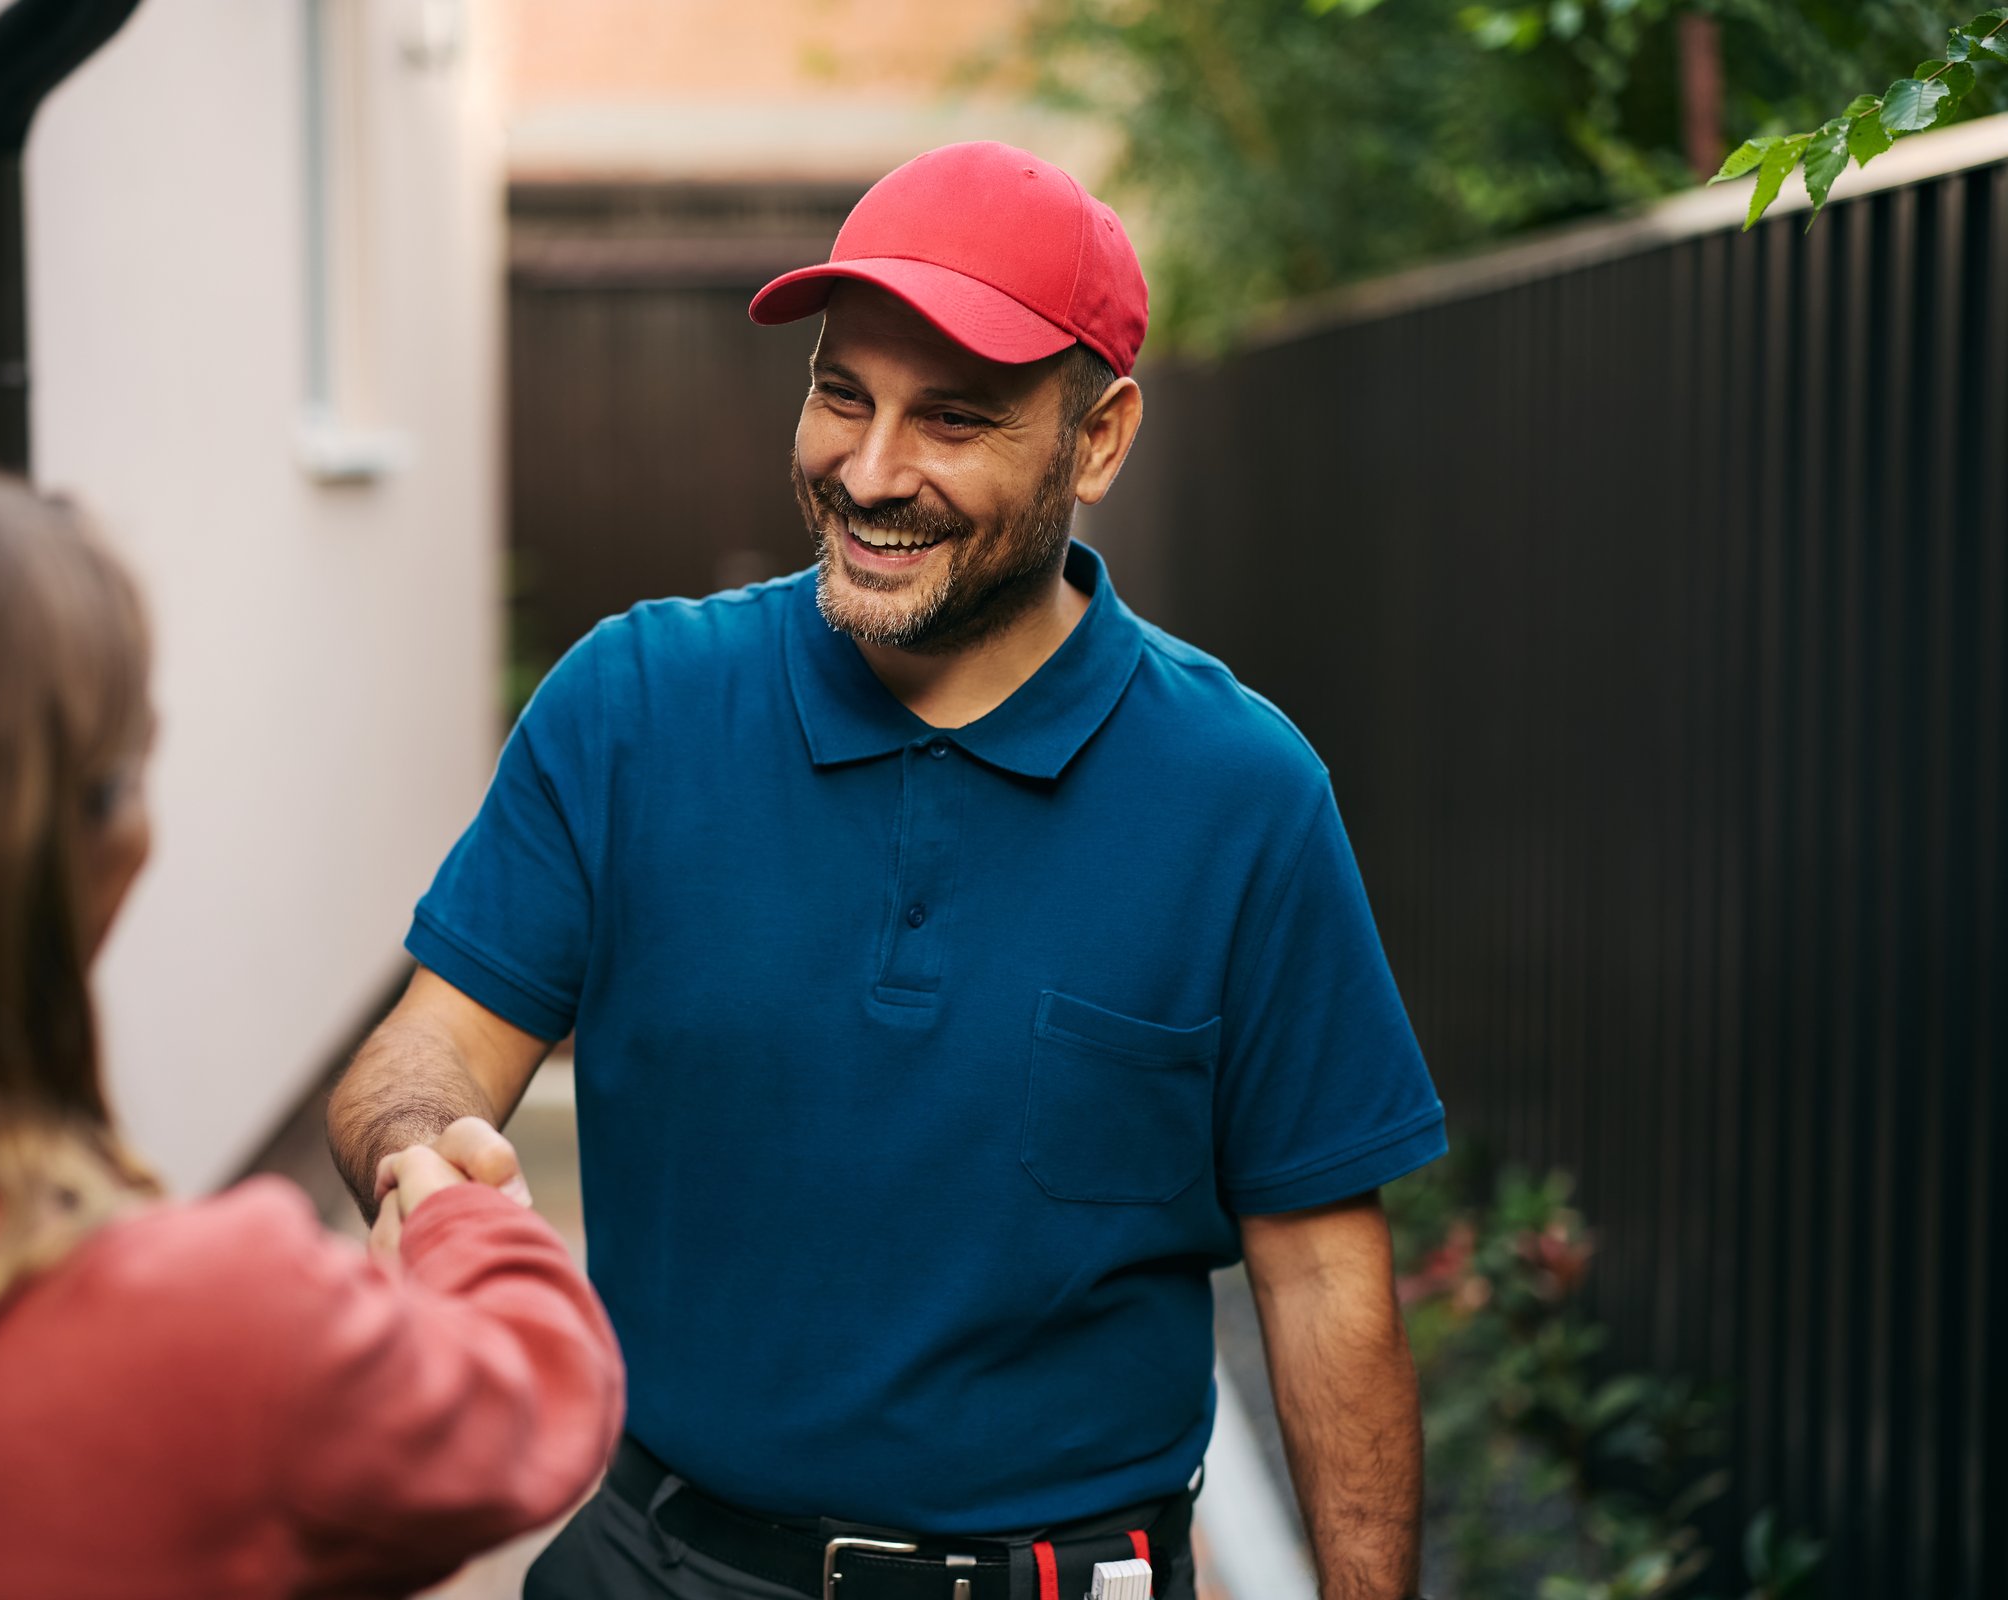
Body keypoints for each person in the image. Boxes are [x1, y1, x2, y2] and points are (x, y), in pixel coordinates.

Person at [329, 141, 1445, 1600]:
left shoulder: (1240, 793)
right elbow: (420, 1055)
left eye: (953, 419)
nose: (867, 471)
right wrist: (423, 1150)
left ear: (1098, 440)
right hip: (652, 1564)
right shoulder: (635, 706)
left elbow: (1321, 1285)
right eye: (841, 393)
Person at [0, 465, 623, 1599]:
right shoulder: (210, 1329)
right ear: (74, 856)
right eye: (128, 768)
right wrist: (469, 1224)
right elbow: (536, 1395)